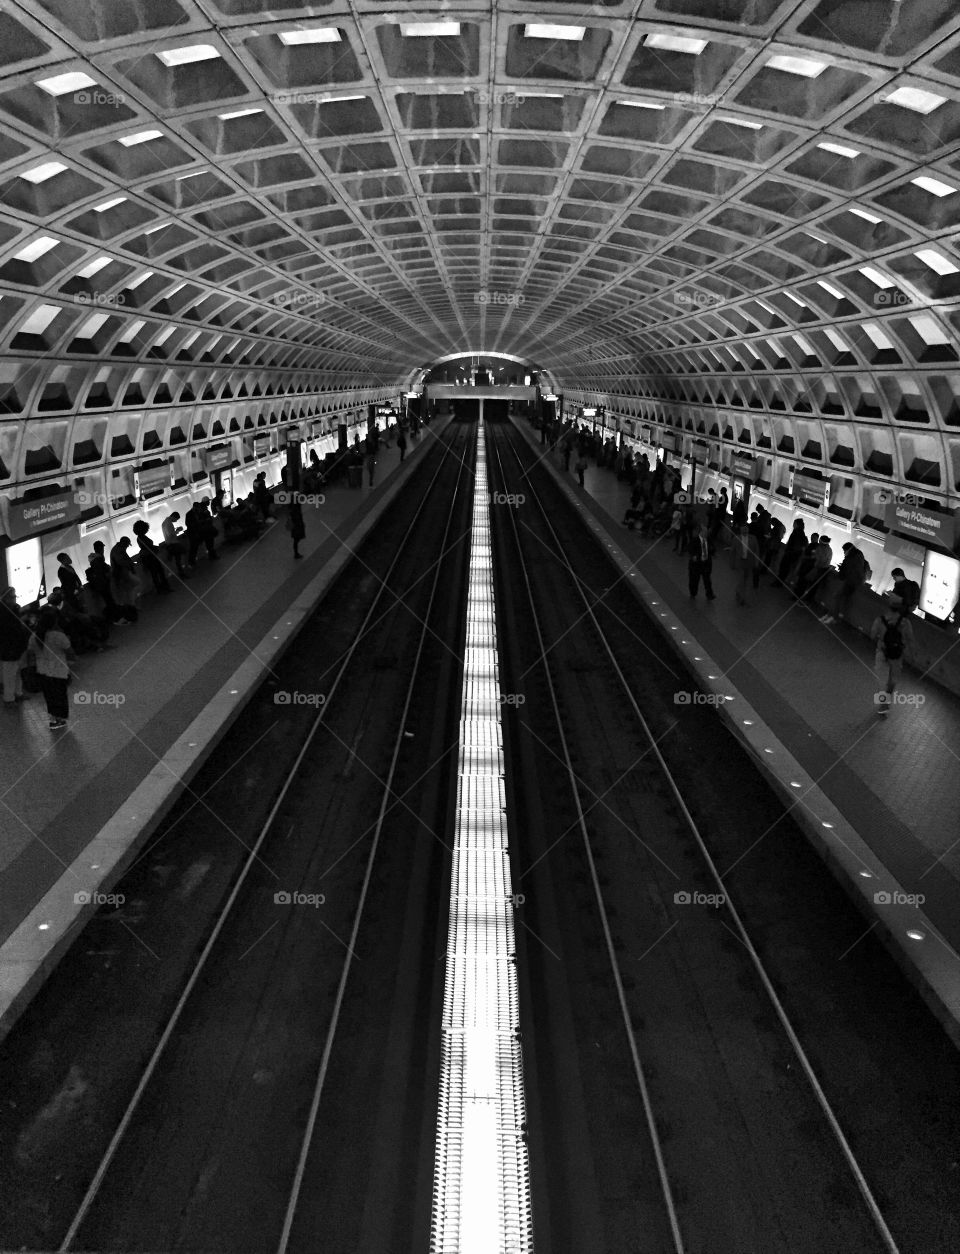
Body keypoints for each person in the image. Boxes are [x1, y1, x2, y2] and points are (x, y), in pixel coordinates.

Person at [31, 603, 73, 730]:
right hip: (58, 672)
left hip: (42, 671)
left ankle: (53, 719)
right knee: (60, 696)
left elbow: (30, 652)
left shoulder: (34, 637)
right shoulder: (58, 636)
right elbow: (70, 651)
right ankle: (60, 719)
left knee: (49, 696)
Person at [871, 597, 915, 716]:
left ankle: (882, 702)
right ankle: (885, 704)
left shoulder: (880, 620)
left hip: (882, 651)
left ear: (888, 606)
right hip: (897, 654)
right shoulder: (905, 622)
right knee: (893, 679)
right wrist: (912, 656)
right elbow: (910, 640)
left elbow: (872, 635)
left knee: (881, 678)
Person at [821, 543, 866, 625]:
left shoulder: (849, 559)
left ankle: (833, 617)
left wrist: (841, 568)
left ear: (848, 550)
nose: (844, 552)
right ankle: (832, 615)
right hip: (855, 583)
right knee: (840, 598)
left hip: (850, 582)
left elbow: (843, 574)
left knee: (837, 597)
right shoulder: (859, 555)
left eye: (844, 550)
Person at [0, 587, 29, 706]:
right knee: (9, 675)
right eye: (13, 597)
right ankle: (8, 699)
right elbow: (8, 629)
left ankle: (18, 693)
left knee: (18, 672)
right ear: (6, 598)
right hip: (8, 647)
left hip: (18, 646)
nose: (15, 599)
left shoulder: (14, 608)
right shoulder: (3, 612)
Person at [133, 520, 171, 595]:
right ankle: (164, 587)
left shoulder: (140, 537)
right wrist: (156, 548)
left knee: (155, 574)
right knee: (158, 573)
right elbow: (148, 547)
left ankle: (160, 589)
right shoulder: (142, 537)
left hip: (149, 558)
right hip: (150, 558)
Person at [109, 537, 140, 621]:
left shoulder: (118, 549)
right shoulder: (118, 550)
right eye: (127, 545)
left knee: (129, 592)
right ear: (124, 543)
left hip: (123, 575)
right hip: (122, 575)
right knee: (129, 592)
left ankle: (131, 610)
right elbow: (121, 562)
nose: (127, 547)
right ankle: (131, 612)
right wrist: (130, 565)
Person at [185, 499, 219, 566]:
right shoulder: (189, 514)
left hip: (202, 531)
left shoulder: (199, 512)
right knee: (194, 548)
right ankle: (191, 562)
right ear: (194, 507)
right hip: (195, 533)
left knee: (209, 543)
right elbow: (189, 524)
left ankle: (212, 555)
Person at [688, 524, 716, 601]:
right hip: (696, 565)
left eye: (707, 532)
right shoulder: (695, 540)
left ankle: (709, 594)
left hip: (706, 564)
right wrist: (693, 556)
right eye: (705, 532)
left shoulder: (709, 540)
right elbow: (690, 549)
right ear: (701, 532)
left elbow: (713, 548)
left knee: (707, 581)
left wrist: (712, 551)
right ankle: (693, 593)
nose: (707, 533)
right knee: (694, 580)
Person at [734, 525, 760, 606]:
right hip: (740, 562)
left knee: (746, 581)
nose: (745, 531)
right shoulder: (736, 538)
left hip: (749, 563)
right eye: (743, 530)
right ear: (741, 530)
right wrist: (733, 563)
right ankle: (742, 598)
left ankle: (738, 591)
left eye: (746, 530)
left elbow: (756, 551)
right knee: (742, 580)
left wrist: (756, 563)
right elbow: (733, 551)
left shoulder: (753, 538)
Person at [776, 519, 806, 587]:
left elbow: (794, 544)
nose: (793, 525)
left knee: (784, 567)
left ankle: (779, 582)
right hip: (793, 554)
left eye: (794, 523)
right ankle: (780, 582)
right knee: (785, 568)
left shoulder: (797, 532)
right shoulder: (801, 533)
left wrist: (789, 551)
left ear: (797, 524)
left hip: (790, 553)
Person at [161, 511, 190, 578]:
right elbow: (170, 535)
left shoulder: (164, 523)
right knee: (183, 554)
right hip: (174, 544)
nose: (176, 521)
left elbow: (168, 533)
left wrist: (175, 530)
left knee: (178, 560)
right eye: (176, 519)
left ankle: (181, 572)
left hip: (169, 544)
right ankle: (184, 570)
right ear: (173, 517)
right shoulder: (169, 523)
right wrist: (178, 530)